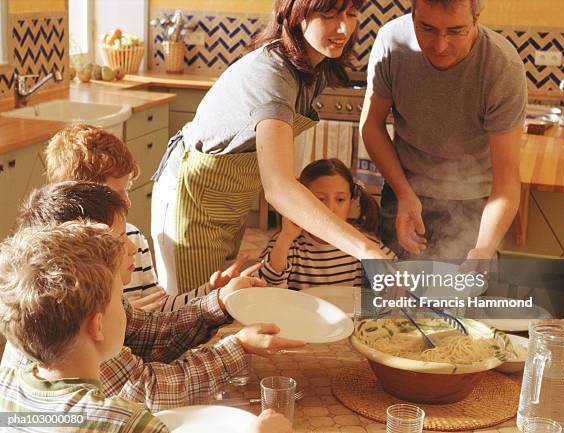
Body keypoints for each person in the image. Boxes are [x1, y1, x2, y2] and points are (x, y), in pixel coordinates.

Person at [151, 0, 390, 295]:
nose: (344, 28)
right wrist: (364, 248)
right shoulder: (271, 74)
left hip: (229, 201)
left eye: (351, 14)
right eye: (328, 15)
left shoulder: (313, 70)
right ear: (296, 15)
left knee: (217, 298)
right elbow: (278, 188)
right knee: (189, 308)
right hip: (190, 200)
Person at [1, 181, 305, 413]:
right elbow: (151, 392)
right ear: (82, 250)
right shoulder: (69, 332)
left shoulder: (82, 298)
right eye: (120, 240)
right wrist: (236, 348)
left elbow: (150, 332)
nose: (132, 248)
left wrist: (220, 302)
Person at [360, 0, 526, 260]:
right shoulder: (392, 43)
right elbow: (371, 127)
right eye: (426, 28)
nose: (439, 46)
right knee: (394, 291)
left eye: (456, 31)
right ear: (412, 11)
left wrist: (483, 249)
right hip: (403, 188)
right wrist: (404, 193)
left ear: (477, 17)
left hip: (476, 203)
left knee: (465, 293)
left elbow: (506, 181)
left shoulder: (501, 67)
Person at [46, 123, 259, 310]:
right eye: (115, 193)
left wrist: (212, 292)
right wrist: (122, 316)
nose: (127, 202)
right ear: (79, 197)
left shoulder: (133, 238)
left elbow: (160, 306)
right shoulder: (57, 261)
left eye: (127, 188)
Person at [0, 221, 169, 432]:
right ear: (97, 325)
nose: (124, 307)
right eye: (119, 299)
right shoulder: (128, 424)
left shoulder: (6, 386)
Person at [259, 158, 394, 290]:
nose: (330, 209)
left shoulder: (364, 244)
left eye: (340, 199)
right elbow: (266, 285)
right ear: (301, 201)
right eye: (320, 200)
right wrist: (286, 237)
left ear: (352, 201)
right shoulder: (289, 243)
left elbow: (397, 276)